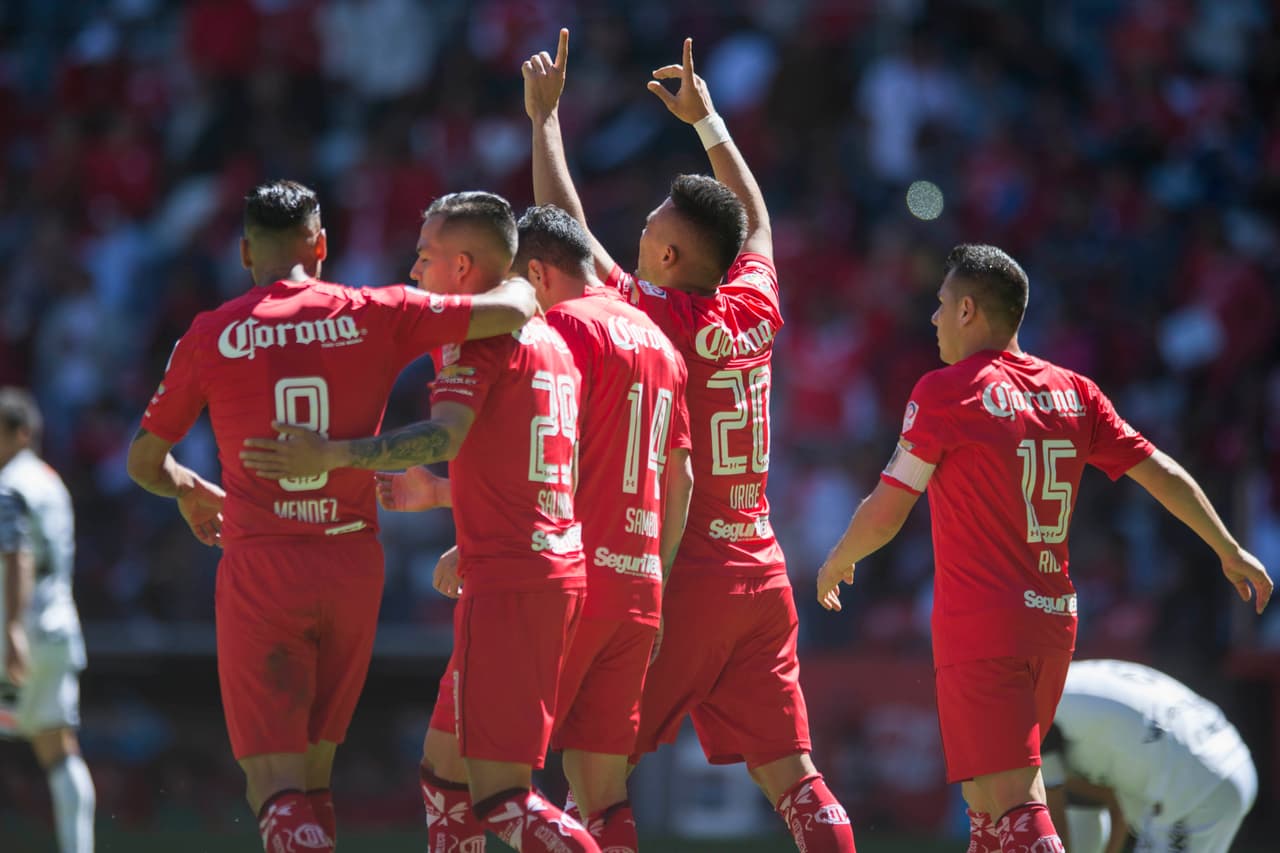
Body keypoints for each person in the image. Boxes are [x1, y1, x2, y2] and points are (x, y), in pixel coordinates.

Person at [814, 243, 1273, 853]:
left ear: (970, 310)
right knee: (987, 813)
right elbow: (1158, 470)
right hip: (1051, 622)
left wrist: (839, 558)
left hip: (982, 625)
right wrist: (1228, 546)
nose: (933, 319)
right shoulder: (1075, 393)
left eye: (942, 304)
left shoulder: (947, 391)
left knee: (1016, 806)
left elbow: (888, 507)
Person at [125, 181, 537, 853]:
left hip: (263, 568)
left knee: (275, 786)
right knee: (314, 780)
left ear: (243, 252)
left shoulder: (210, 333)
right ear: (321, 245)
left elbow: (144, 462)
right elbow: (516, 305)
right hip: (351, 564)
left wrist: (190, 489)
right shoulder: (380, 310)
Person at [524, 30, 856, 852]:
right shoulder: (752, 306)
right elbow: (759, 220)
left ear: (669, 254)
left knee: (593, 779)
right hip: (762, 572)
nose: (635, 235)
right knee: (797, 779)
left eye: (645, 227)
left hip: (686, 575)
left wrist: (545, 123)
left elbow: (563, 232)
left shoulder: (654, 315)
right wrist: (709, 122)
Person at [238, 193, 602, 853]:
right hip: (532, 567)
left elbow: (445, 435)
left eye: (427, 256)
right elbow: (542, 465)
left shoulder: (479, 337)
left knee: (502, 797)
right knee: (444, 773)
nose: (414, 268)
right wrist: (455, 513)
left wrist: (334, 456)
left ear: (463, 267)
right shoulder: (551, 339)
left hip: (516, 583)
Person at [0, 387, 95, 853]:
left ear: (20, 433)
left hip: (16, 631)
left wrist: (13, 628)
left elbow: (14, 553)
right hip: (60, 627)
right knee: (59, 750)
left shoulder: (8, 484)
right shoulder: (54, 482)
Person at [1042, 659, 1257, 853]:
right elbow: (1111, 799)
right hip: (1227, 757)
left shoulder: (1034, 709)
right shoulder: (1064, 682)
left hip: (1198, 784)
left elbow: (1049, 819)